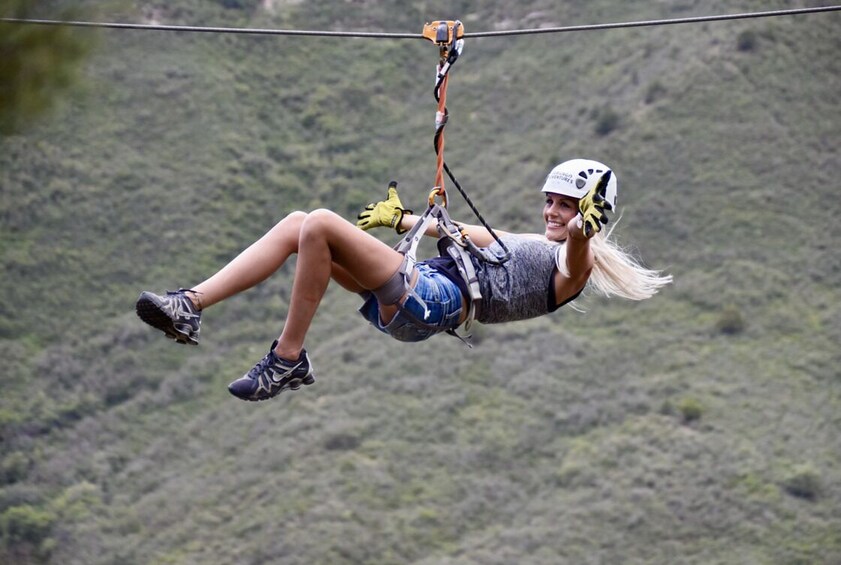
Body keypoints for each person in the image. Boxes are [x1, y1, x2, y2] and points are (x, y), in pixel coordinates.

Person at [136, 158, 671, 402]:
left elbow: (577, 254)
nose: (552, 210)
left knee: (321, 221)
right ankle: (191, 303)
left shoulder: (568, 266)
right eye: (549, 201)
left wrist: (581, 229)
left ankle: (287, 358)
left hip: (434, 300)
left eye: (565, 204)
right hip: (422, 291)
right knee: (304, 227)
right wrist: (404, 221)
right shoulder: (534, 246)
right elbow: (461, 230)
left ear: (587, 212)